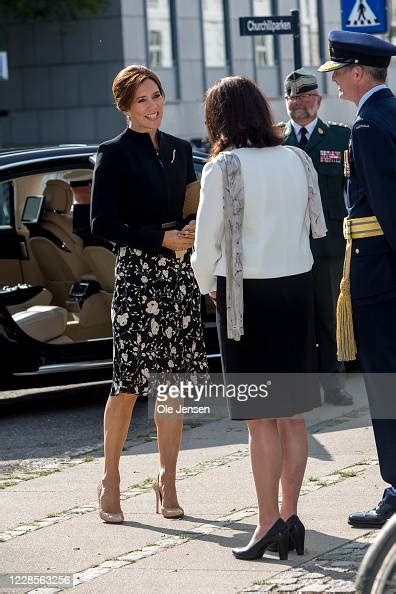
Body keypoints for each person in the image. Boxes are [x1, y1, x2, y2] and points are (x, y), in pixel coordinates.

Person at [191, 76, 326, 560]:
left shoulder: (223, 165)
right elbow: (317, 227)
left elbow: (205, 246)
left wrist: (207, 284)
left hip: (245, 297)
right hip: (296, 291)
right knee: (292, 417)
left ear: (218, 118)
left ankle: (267, 521)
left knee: (259, 421)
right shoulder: (296, 157)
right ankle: (291, 516)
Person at [91, 64, 208, 523]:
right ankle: (111, 479)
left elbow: (194, 205)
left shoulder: (181, 150)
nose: (152, 105)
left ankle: (167, 480)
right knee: (127, 386)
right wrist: (158, 239)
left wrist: (195, 229)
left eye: (156, 95)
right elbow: (101, 224)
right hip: (139, 276)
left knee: (172, 386)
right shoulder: (112, 154)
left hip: (178, 276)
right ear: (125, 107)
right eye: (142, 100)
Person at [319, 30, 396, 528]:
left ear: (358, 72)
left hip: (380, 273)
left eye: (339, 74)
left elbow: (389, 209)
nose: (336, 85)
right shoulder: (387, 115)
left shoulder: (368, 126)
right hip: (381, 268)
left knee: (386, 383)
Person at [281, 68, 353, 407]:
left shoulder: (340, 138)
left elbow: (351, 190)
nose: (300, 103)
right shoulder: (275, 141)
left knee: (328, 315)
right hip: (287, 247)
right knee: (296, 319)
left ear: (318, 100)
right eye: (293, 97)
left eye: (306, 96)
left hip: (328, 246)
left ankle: (334, 384)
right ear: (286, 102)